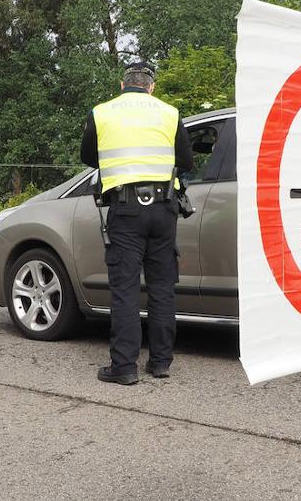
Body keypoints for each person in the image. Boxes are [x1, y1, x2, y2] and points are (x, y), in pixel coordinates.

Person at [80, 61, 194, 385]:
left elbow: (88, 157)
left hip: (125, 209)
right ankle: (160, 362)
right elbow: (186, 161)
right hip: (163, 209)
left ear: (122, 85)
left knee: (125, 289)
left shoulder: (101, 113)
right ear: (151, 87)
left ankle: (124, 367)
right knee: (161, 287)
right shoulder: (169, 113)